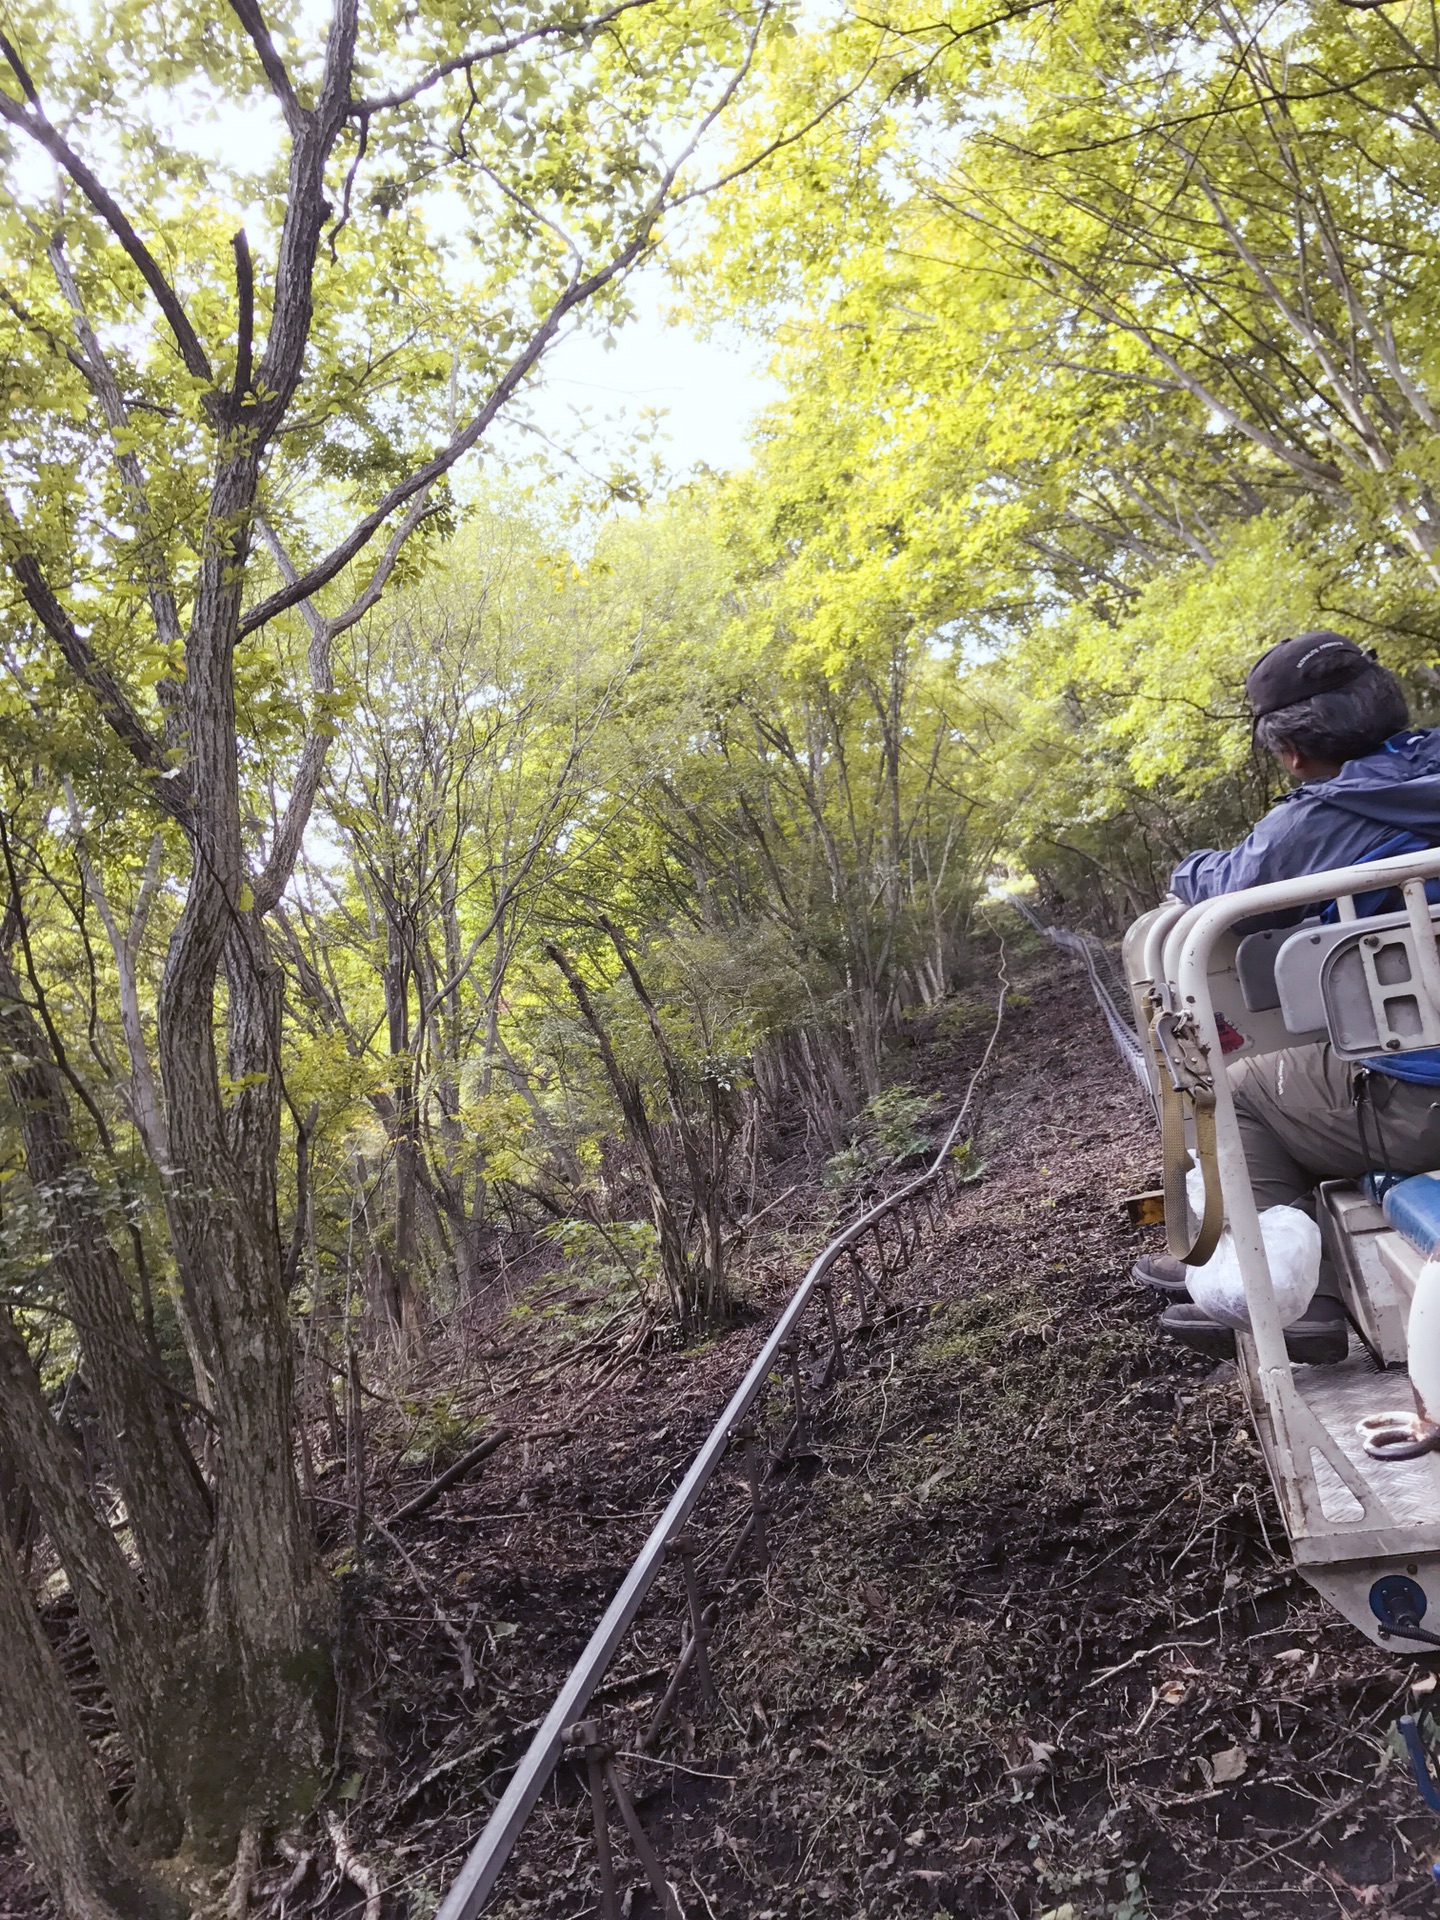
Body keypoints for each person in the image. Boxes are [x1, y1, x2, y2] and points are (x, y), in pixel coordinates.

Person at [1135, 631, 1440, 1364]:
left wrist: (1189, 865)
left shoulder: (1322, 818)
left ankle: (1291, 1301)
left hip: (1425, 1108)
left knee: (1241, 1094)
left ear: (1293, 754)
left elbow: (1224, 886)